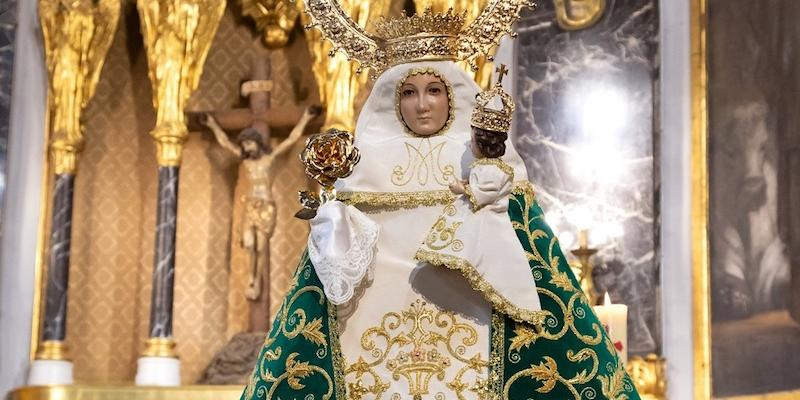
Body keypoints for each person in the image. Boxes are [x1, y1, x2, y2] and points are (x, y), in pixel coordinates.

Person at [241, 4, 640, 399]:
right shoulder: (360, 173)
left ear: (452, 94)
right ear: (393, 101)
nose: (422, 105)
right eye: (409, 93)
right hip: (370, 338)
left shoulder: (485, 166)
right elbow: (328, 278)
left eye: (434, 90)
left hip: (472, 333)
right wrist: (331, 222)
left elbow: (532, 259)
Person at [415, 71, 542, 325]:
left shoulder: (492, 169)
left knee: (485, 256)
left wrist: (461, 188)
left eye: (434, 91)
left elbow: (483, 192)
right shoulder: (487, 168)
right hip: (482, 215)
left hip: (489, 224)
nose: (422, 105)